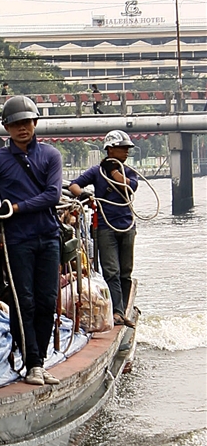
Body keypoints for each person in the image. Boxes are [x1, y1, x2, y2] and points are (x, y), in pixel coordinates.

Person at [0, 95, 63, 386]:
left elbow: (53, 195)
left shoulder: (50, 156)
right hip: (18, 240)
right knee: (23, 302)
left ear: (35, 123)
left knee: (47, 302)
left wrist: (16, 208)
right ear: (7, 128)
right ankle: (33, 364)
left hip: (48, 237)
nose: (22, 128)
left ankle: (38, 361)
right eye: (16, 124)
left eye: (27, 122)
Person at [68, 129, 138, 327]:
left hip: (127, 226)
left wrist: (114, 170)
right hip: (106, 227)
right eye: (121, 148)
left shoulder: (129, 172)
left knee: (126, 270)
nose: (126, 152)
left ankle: (123, 309)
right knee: (111, 270)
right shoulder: (95, 172)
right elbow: (74, 185)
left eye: (126, 149)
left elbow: (128, 187)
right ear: (110, 149)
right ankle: (116, 312)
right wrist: (83, 194)